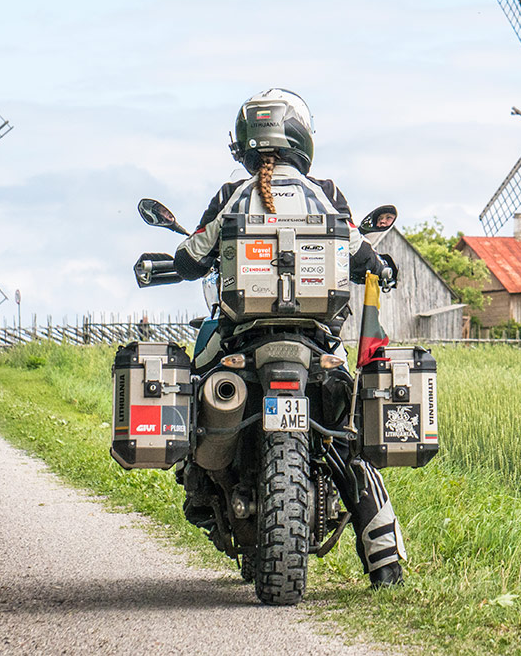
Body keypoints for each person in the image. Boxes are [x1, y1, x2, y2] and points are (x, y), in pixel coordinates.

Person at [173, 88, 405, 588]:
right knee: (347, 442)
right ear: (300, 136)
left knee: (197, 379)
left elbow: (192, 256)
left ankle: (198, 477)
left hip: (242, 340)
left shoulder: (232, 194)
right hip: (317, 345)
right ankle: (386, 564)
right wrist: (381, 267)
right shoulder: (325, 192)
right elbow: (361, 253)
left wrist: (183, 259)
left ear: (245, 141)